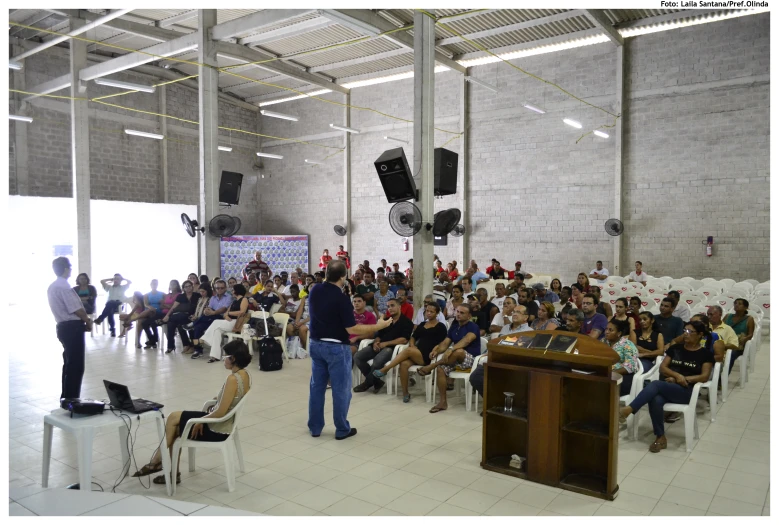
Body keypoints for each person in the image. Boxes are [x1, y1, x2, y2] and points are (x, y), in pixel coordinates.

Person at [132, 340, 252, 485]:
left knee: (174, 425)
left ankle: (160, 465)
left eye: (225, 356)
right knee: (174, 418)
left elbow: (220, 412)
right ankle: (161, 465)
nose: (223, 360)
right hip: (225, 423)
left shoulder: (232, 379)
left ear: (233, 358)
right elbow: (228, 401)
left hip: (218, 428)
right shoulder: (245, 375)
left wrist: (200, 421)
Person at [308, 260, 392, 440]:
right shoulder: (341, 298)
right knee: (341, 389)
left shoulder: (314, 290)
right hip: (336, 347)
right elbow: (352, 329)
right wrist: (379, 325)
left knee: (317, 387)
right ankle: (341, 429)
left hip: (316, 344)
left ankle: (315, 427)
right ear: (343, 277)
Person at [619, 321, 714, 453]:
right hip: (668, 386)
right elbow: (663, 368)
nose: (685, 334)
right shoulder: (676, 349)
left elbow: (704, 376)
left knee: (655, 384)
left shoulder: (705, 354)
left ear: (700, 335)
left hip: (686, 391)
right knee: (656, 399)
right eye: (684, 331)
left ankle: (629, 409)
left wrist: (682, 379)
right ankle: (660, 437)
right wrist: (676, 376)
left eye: (690, 332)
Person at [372, 303, 448, 403]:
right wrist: (412, 344)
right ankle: (405, 393)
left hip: (428, 355)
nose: (428, 313)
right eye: (427, 311)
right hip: (416, 352)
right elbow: (413, 337)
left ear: (437, 313)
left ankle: (386, 369)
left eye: (431, 312)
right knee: (403, 364)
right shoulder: (422, 324)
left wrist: (436, 349)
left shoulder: (441, 326)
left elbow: (443, 342)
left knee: (408, 350)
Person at [418, 305, 481, 414]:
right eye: (457, 311)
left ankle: (432, 366)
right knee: (440, 369)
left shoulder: (473, 326)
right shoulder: (454, 325)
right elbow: (446, 342)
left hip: (471, 360)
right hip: (453, 359)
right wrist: (437, 350)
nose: (458, 314)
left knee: (458, 351)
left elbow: (466, 340)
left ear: (469, 316)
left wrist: (451, 349)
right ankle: (443, 402)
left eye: (462, 313)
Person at [48, 257, 93, 401]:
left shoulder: (53, 286)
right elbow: (76, 308)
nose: (71, 270)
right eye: (70, 267)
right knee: (76, 366)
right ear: (66, 269)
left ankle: (66, 398)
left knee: (69, 364)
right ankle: (72, 400)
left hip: (62, 327)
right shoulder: (64, 286)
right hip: (72, 328)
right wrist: (87, 320)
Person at [353, 298, 414, 394]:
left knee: (377, 361)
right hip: (379, 345)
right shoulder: (386, 320)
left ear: (399, 307)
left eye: (392, 305)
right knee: (358, 357)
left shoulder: (407, 322)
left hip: (392, 348)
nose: (390, 308)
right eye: (388, 306)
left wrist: (385, 344)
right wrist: (376, 342)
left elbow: (404, 339)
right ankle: (377, 382)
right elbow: (378, 335)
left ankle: (367, 383)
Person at [201, 284, 249, 363]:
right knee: (217, 331)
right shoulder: (234, 301)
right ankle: (214, 356)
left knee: (216, 322)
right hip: (229, 321)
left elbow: (242, 312)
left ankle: (205, 339)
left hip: (237, 322)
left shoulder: (244, 299)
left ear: (237, 290)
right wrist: (227, 315)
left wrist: (229, 313)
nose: (232, 292)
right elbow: (225, 313)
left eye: (233, 290)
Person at [190, 280, 233, 358]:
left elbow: (224, 309)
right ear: (215, 288)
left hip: (221, 318)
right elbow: (209, 307)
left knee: (203, 320)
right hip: (210, 318)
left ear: (225, 288)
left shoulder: (229, 297)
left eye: (222, 288)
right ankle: (198, 350)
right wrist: (207, 310)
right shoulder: (213, 298)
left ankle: (193, 324)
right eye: (217, 288)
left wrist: (213, 312)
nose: (219, 290)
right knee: (198, 327)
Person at [604, 319, 640, 396]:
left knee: (602, 387)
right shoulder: (603, 342)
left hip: (623, 376)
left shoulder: (627, 345)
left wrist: (610, 374)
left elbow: (630, 367)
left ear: (619, 333)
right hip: (604, 374)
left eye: (611, 330)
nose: (607, 332)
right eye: (606, 329)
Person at [162, 280, 199, 354]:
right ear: (183, 288)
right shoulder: (181, 296)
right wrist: (167, 315)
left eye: (189, 286)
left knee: (175, 322)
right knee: (172, 323)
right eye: (186, 287)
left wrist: (196, 315)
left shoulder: (197, 295)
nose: (188, 288)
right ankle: (172, 346)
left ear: (192, 287)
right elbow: (173, 307)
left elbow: (200, 306)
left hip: (193, 315)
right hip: (182, 315)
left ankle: (187, 345)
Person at [141, 280, 180, 349]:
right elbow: (162, 306)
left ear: (177, 286)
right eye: (171, 284)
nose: (172, 286)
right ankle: (153, 340)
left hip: (170, 314)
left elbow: (174, 307)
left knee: (153, 323)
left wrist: (166, 305)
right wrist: (166, 305)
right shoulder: (168, 295)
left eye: (174, 284)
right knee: (144, 323)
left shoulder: (179, 295)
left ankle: (153, 341)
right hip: (162, 313)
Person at [707, 305, 741, 374]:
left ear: (720, 315)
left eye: (711, 314)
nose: (709, 317)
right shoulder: (704, 326)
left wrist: (719, 346)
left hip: (718, 358)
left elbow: (734, 345)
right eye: (708, 314)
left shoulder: (727, 329)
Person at [183, 284, 213, 354]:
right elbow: (197, 310)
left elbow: (207, 312)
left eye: (203, 292)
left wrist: (198, 317)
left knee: (197, 328)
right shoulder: (200, 299)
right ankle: (193, 346)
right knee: (182, 324)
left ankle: (197, 348)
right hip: (197, 318)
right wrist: (194, 316)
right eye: (200, 292)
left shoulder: (210, 299)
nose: (201, 293)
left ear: (207, 291)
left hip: (206, 319)